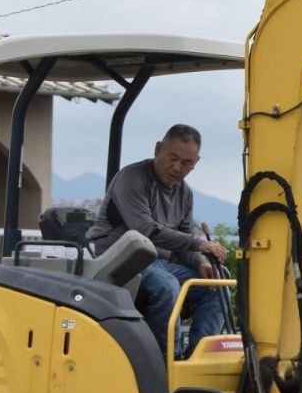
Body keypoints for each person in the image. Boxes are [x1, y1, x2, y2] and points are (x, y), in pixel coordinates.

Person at [87, 124, 228, 357]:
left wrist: (200, 263)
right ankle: (165, 362)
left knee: (217, 283)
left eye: (186, 163)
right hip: (119, 261)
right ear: (158, 149)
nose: (177, 167)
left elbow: (183, 245)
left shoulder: (185, 193)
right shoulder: (132, 178)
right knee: (167, 285)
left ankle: (199, 359)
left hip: (159, 262)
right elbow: (145, 231)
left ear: (196, 163)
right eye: (173, 158)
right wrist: (198, 244)